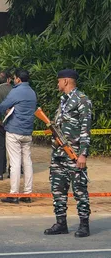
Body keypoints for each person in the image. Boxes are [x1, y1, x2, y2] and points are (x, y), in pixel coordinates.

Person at [44, 69, 92, 238]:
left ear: (65, 81)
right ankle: (61, 223)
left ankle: (84, 224)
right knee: (57, 189)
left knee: (79, 190)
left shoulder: (82, 100)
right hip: (58, 154)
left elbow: (85, 130)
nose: (57, 84)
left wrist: (83, 154)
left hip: (74, 154)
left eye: (58, 81)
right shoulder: (63, 101)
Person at [0, 69, 37, 204]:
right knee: (27, 162)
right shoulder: (32, 92)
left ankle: (14, 193)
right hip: (27, 131)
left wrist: (6, 110)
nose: (14, 80)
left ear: (18, 79)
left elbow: (3, 106)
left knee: (15, 163)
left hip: (14, 130)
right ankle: (27, 193)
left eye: (15, 78)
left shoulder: (16, 91)